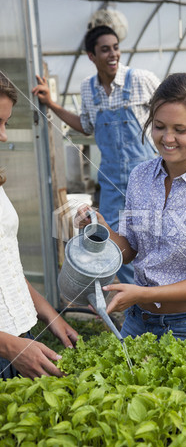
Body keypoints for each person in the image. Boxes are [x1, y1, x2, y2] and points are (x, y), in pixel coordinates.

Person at [75, 73, 186, 341]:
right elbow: (129, 250)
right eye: (159, 126)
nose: (167, 138)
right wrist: (101, 227)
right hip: (137, 322)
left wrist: (141, 293)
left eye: (180, 129)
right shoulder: (140, 176)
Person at [32, 25, 161, 285]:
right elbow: (86, 125)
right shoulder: (89, 88)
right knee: (112, 242)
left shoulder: (141, 79)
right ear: (91, 56)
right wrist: (52, 105)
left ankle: (156, 301)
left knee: (151, 240)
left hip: (148, 177)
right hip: (112, 182)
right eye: (105, 50)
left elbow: (171, 111)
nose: (113, 54)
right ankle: (131, 306)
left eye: (116, 47)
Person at [0, 71, 78, 380]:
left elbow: (7, 267)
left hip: (18, 339)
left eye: (5, 123)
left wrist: (50, 315)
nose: (4, 136)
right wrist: (10, 347)